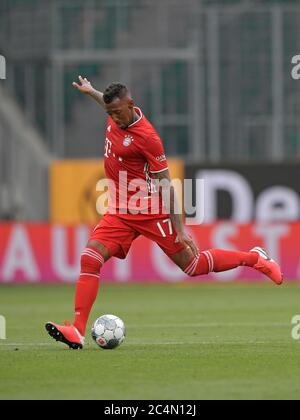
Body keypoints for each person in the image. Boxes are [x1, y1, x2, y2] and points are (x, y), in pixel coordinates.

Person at [46, 77, 283, 350]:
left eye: (117, 112)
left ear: (131, 105)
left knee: (193, 266)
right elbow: (108, 103)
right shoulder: (116, 113)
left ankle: (254, 258)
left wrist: (180, 229)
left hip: (151, 211)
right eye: (109, 113)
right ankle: (76, 330)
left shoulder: (147, 138)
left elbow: (166, 185)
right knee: (90, 258)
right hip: (120, 211)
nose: (113, 117)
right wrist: (91, 93)